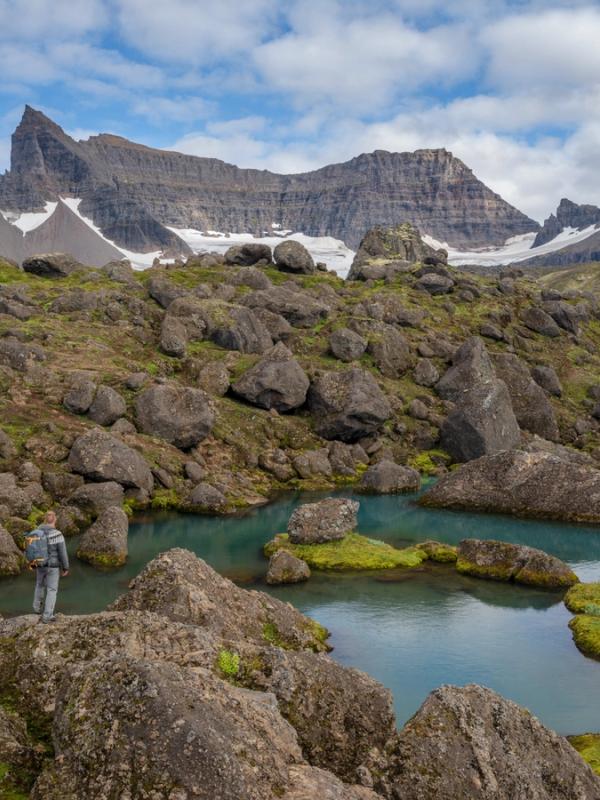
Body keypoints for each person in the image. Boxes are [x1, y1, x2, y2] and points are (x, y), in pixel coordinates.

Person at [32, 511, 69, 624]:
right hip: (53, 566)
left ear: (45, 519)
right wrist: (65, 567)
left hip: (40, 564)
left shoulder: (36, 532)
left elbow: (32, 548)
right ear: (55, 519)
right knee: (52, 590)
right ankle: (47, 616)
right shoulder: (57, 534)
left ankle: (37, 609)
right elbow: (62, 552)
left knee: (39, 585)